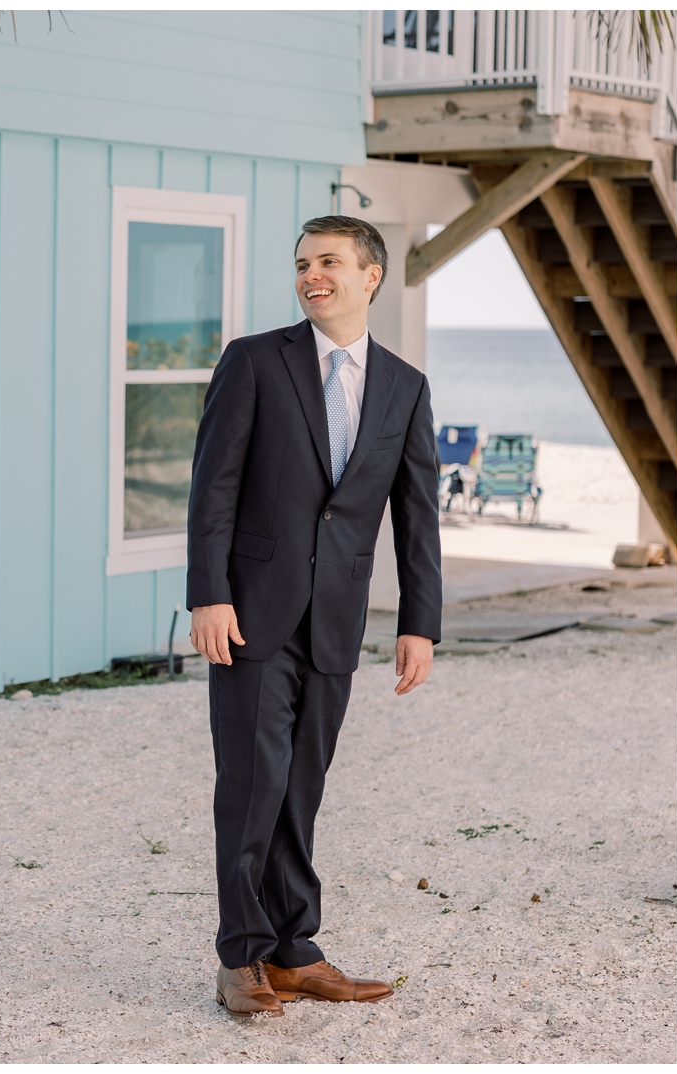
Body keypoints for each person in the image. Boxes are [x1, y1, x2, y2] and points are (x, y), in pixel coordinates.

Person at [186, 216, 442, 1018]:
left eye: (329, 261)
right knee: (252, 785)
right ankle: (242, 955)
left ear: (371, 275)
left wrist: (418, 622)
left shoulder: (404, 385)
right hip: (251, 614)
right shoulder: (256, 361)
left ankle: (295, 949)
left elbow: (417, 513)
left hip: (336, 617)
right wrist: (208, 593)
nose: (311, 276)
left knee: (302, 786)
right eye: (302, 264)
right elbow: (213, 487)